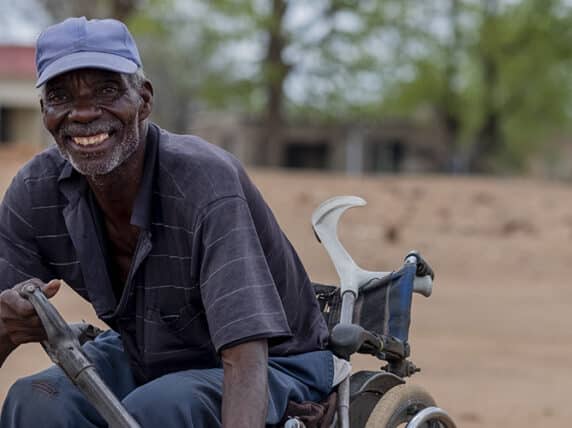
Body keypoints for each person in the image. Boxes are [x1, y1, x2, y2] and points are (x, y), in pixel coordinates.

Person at [0, 17, 346, 428]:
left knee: (161, 408)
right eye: (60, 96)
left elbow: (245, 355)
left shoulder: (205, 183)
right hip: (144, 355)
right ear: (45, 112)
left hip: (275, 364)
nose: (84, 113)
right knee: (36, 400)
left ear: (144, 99)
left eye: (107, 90)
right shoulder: (37, 191)